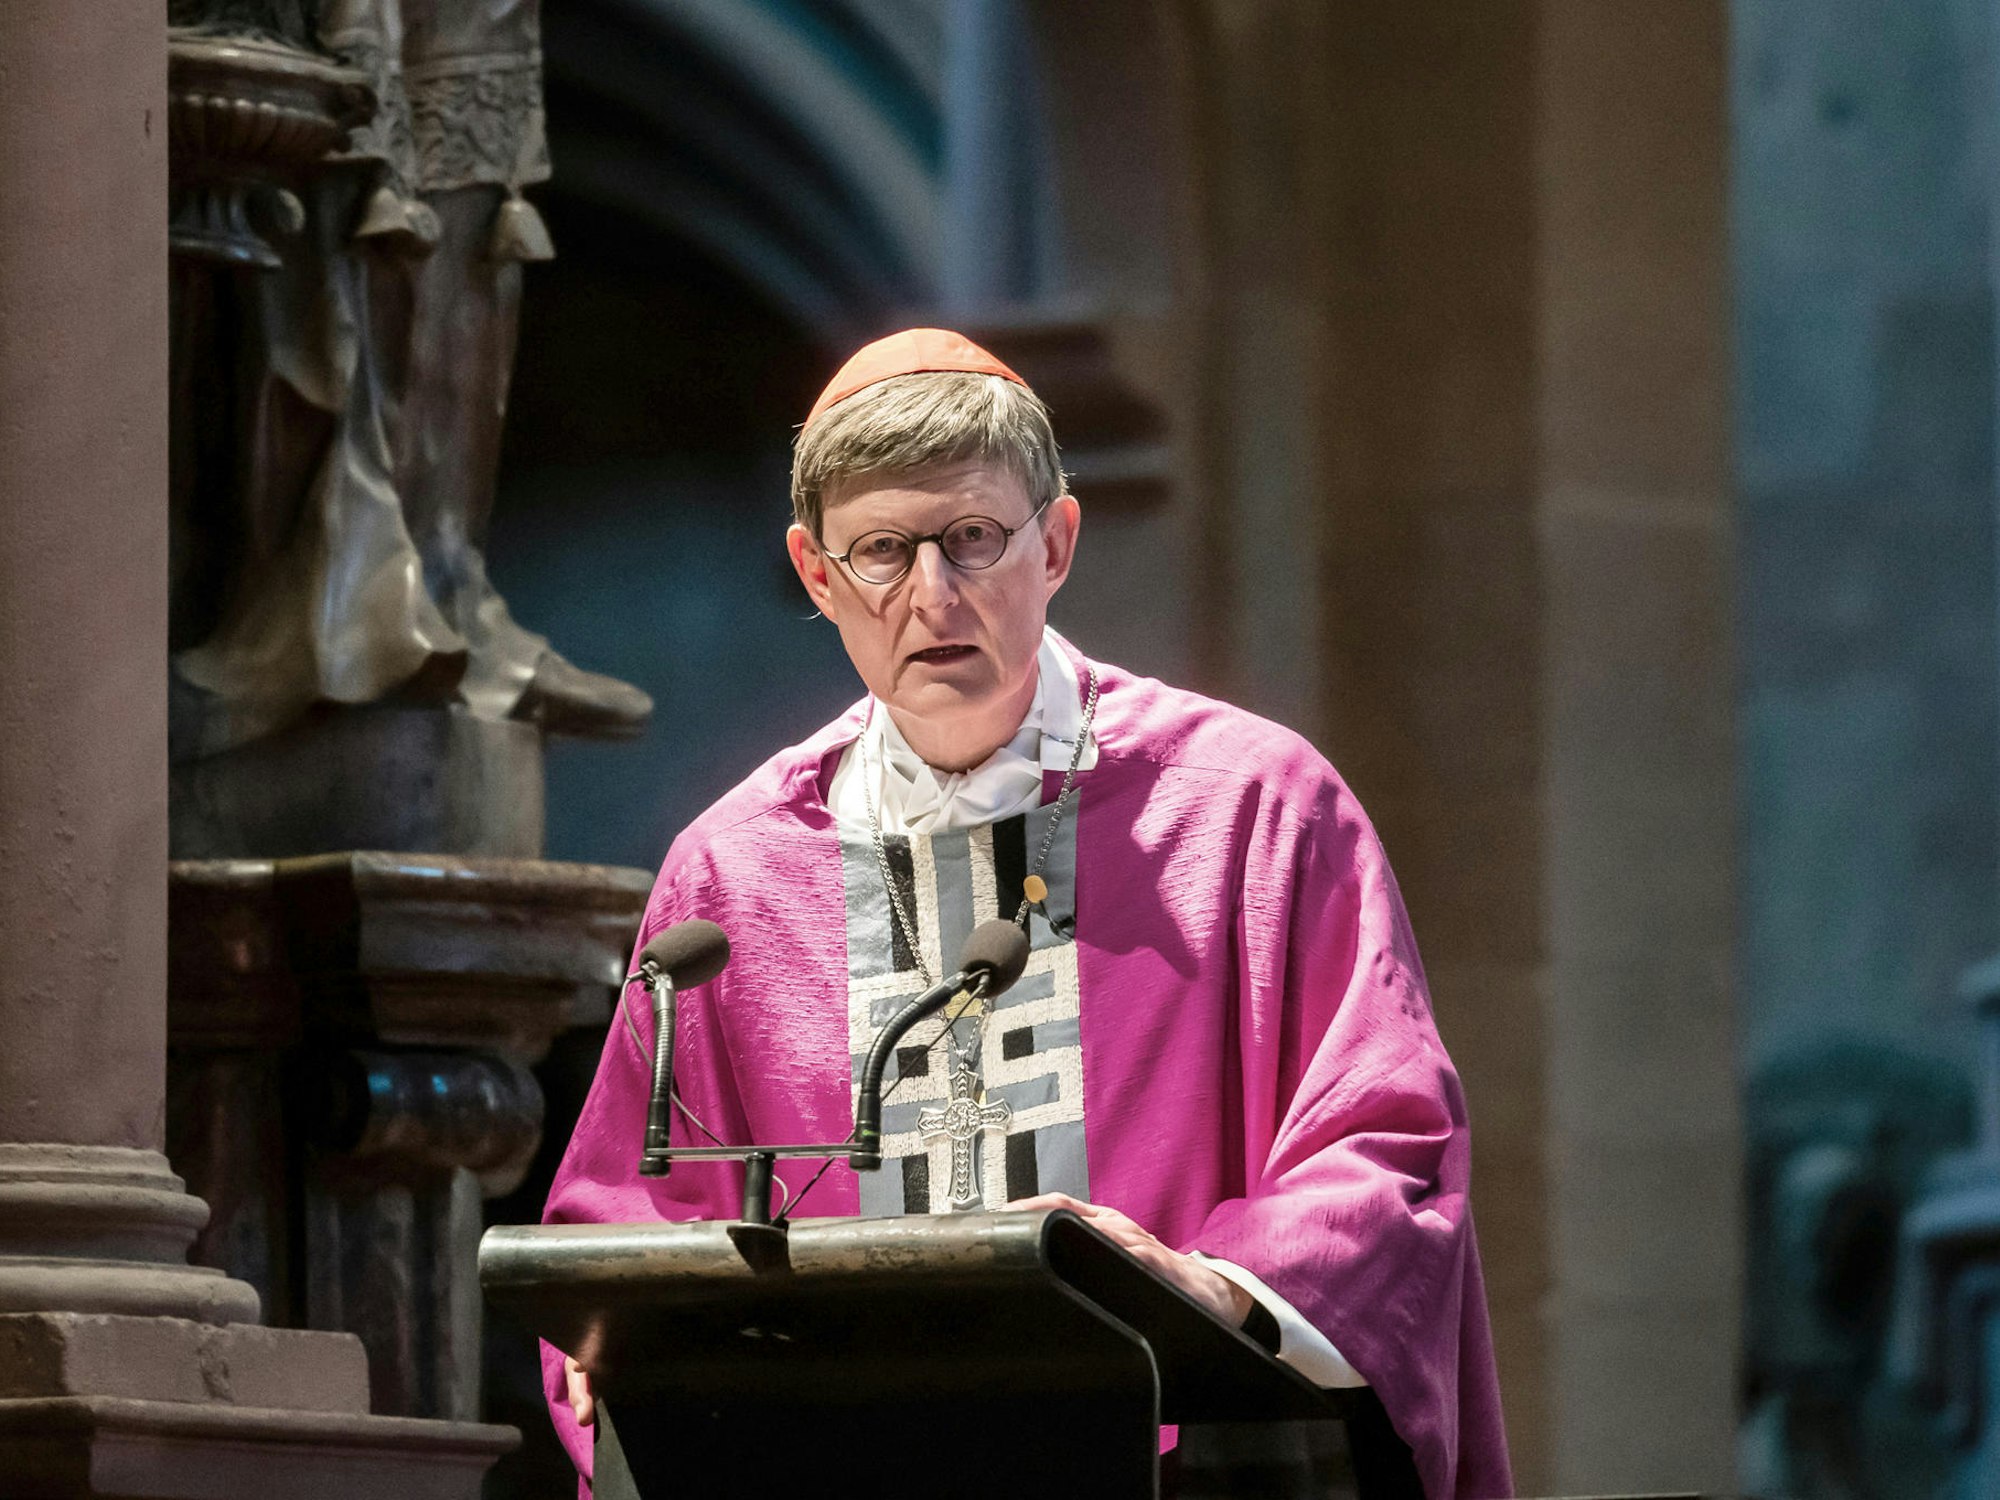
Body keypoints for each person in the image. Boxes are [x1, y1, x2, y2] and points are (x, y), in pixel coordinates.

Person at [540, 328, 1512, 1498]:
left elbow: (1382, 1140)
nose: (931, 596)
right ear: (814, 573)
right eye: (881, 554)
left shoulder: (1248, 808)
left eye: (971, 539)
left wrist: (1219, 1286)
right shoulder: (734, 874)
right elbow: (624, 1211)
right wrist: (615, 1339)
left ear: (1054, 543)